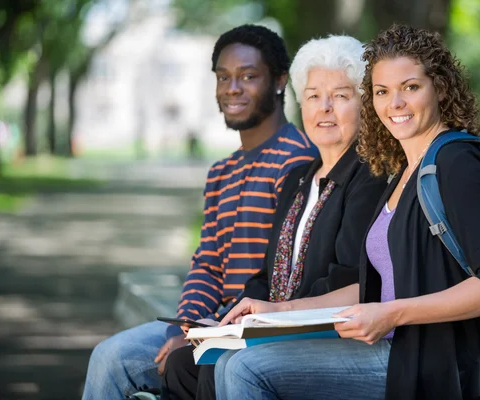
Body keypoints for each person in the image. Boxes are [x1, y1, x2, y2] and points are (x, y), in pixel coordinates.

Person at [215, 24, 480, 400]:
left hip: (433, 363)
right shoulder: (404, 172)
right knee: (231, 360)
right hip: (388, 346)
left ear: (440, 87)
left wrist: (392, 314)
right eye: (382, 91)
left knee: (248, 368)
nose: (394, 103)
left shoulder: (458, 161)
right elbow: (371, 287)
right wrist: (277, 309)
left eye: (410, 87)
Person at [81, 24, 319, 400]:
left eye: (248, 76)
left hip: (258, 328)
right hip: (208, 323)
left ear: (279, 81)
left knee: (125, 363)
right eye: (223, 77)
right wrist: (183, 327)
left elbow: (289, 274)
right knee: (110, 356)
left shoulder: (299, 161)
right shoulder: (221, 172)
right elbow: (207, 263)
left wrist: (208, 331)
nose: (232, 88)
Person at [160, 34, 388, 400]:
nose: (324, 108)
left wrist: (275, 314)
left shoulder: (370, 178)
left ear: (365, 104)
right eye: (314, 96)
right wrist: (227, 318)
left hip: (325, 333)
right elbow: (266, 275)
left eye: (341, 95)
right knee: (184, 362)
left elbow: (353, 279)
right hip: (275, 324)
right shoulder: (299, 178)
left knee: (215, 364)